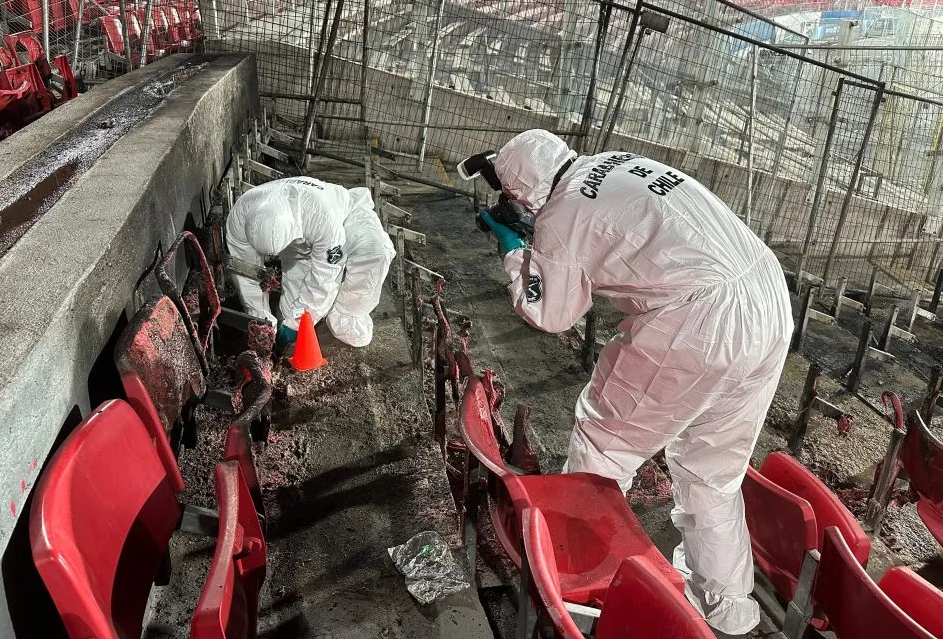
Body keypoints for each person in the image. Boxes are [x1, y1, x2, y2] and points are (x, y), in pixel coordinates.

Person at [473, 129, 792, 635]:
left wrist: (515, 249)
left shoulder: (561, 212)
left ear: (520, 195)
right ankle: (730, 610)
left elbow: (551, 312)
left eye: (508, 194)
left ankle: (579, 603)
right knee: (713, 471)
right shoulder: (614, 163)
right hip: (767, 298)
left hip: (698, 316)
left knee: (602, 447)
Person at [225, 176, 395, 349]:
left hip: (346, 216)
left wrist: (297, 325)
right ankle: (304, 315)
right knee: (291, 312)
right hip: (298, 244)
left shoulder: (321, 216)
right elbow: (246, 272)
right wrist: (260, 319)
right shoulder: (239, 216)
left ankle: (346, 315)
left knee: (374, 253)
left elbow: (326, 276)